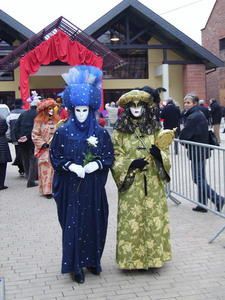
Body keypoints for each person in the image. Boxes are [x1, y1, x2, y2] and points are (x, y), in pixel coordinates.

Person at [50, 65, 114, 284]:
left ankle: (93, 260)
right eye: (77, 110)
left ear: (92, 108)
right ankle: (75, 265)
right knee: (74, 225)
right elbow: (55, 156)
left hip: (93, 188)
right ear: (71, 108)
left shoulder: (100, 132)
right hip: (72, 188)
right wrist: (69, 166)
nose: (81, 114)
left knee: (95, 221)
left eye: (85, 110)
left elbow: (108, 156)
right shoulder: (62, 131)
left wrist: (97, 164)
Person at [111, 88, 174, 270]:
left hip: (152, 182)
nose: (136, 109)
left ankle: (154, 259)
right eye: (133, 105)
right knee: (133, 220)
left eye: (140, 105)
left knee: (153, 218)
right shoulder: (119, 132)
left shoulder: (155, 129)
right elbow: (116, 155)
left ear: (146, 108)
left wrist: (159, 155)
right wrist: (131, 164)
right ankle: (132, 261)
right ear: (127, 108)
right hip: (131, 184)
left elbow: (165, 150)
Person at [179, 94, 224, 213]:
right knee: (201, 178)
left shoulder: (193, 117)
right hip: (200, 150)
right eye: (185, 102)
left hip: (197, 151)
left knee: (197, 178)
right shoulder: (198, 114)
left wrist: (182, 140)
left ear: (194, 104)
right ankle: (202, 203)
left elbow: (184, 135)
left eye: (188, 102)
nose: (186, 104)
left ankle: (217, 199)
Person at [32, 98, 59, 199]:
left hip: (55, 150)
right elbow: (35, 135)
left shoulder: (56, 121)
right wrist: (43, 144)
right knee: (45, 170)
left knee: (55, 170)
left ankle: (55, 189)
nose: (51, 110)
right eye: (49, 108)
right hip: (44, 150)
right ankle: (47, 191)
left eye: (52, 108)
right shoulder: (39, 121)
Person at [14, 94, 40, 188]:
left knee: (25, 159)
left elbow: (16, 127)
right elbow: (36, 128)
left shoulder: (23, 114)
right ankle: (31, 180)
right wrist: (28, 136)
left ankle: (27, 176)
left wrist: (18, 137)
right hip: (32, 139)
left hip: (22, 140)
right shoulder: (38, 115)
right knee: (33, 159)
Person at [6, 98, 25, 176]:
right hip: (24, 137)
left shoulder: (10, 115)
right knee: (25, 153)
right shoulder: (25, 113)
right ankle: (25, 167)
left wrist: (9, 137)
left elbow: (8, 128)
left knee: (18, 152)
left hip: (15, 138)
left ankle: (20, 169)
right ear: (22, 105)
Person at [0, 117, 12, 190]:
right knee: (3, 166)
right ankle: (1, 184)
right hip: (3, 142)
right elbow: (6, 129)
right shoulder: (3, 119)